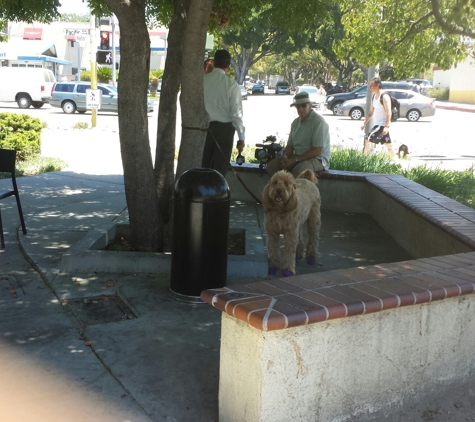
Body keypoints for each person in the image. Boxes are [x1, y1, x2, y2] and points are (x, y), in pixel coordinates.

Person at [266, 92, 331, 178]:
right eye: (298, 106)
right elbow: (290, 146)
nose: (300, 109)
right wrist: (285, 157)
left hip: (318, 159)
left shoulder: (318, 122)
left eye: (303, 105)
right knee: (272, 166)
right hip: (299, 157)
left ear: (310, 105)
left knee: (299, 171)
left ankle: (293, 190)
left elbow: (317, 150)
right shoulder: (295, 123)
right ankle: (283, 189)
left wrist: (295, 160)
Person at [202, 50, 245, 177]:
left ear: (214, 63)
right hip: (224, 130)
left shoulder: (202, 81)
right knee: (219, 169)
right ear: (229, 65)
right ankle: (216, 194)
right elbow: (236, 113)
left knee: (204, 165)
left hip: (204, 128)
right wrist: (241, 136)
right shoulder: (231, 84)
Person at [361, 77, 395, 158]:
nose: (370, 87)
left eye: (372, 85)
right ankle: (395, 160)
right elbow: (371, 112)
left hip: (381, 125)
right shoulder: (374, 97)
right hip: (379, 124)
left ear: (378, 85)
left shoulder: (384, 96)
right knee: (388, 145)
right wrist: (364, 123)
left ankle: (363, 159)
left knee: (368, 139)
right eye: (370, 85)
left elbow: (388, 111)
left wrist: (386, 126)